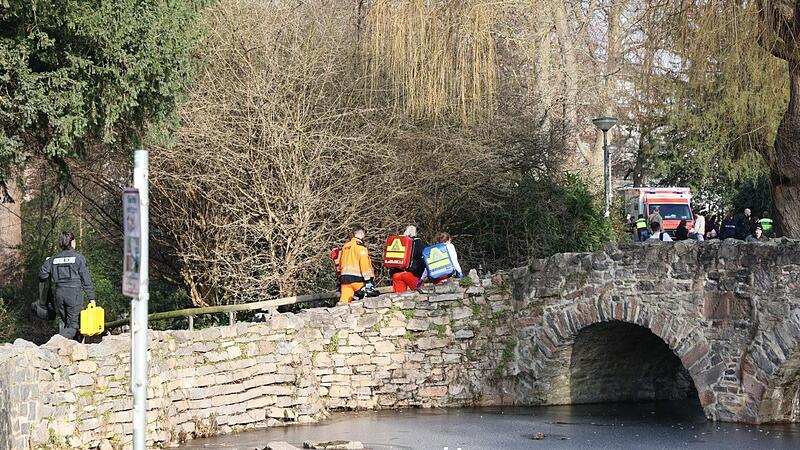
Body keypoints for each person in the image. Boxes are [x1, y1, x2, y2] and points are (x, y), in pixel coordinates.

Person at [38, 231, 96, 340]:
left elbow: (42, 275)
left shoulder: (53, 259)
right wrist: (91, 298)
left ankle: (72, 350)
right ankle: (55, 342)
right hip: (74, 295)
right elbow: (86, 280)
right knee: (74, 325)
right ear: (73, 242)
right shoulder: (78, 258)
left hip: (59, 295)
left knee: (67, 323)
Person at [337, 224, 376, 305]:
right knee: (370, 300)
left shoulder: (345, 246)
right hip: (357, 280)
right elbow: (364, 264)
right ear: (362, 234)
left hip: (344, 279)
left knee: (343, 303)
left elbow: (340, 262)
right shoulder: (360, 247)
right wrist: (368, 280)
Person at [390, 226, 426, 293]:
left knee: (398, 298)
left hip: (396, 274)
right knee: (421, 295)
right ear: (415, 232)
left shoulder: (398, 241)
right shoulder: (418, 243)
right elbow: (423, 259)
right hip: (411, 274)